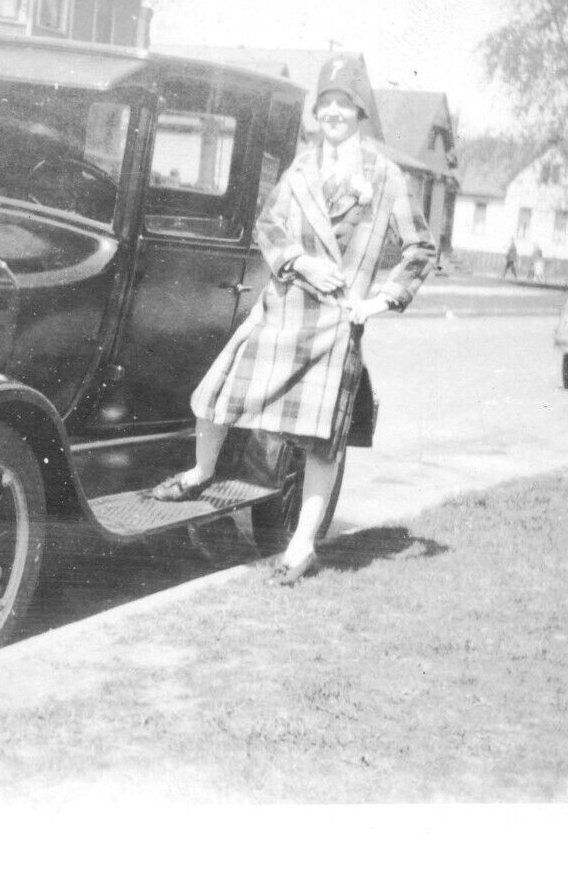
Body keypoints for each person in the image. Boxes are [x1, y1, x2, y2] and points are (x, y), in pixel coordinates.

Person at [150, 54, 436, 586]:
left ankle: (301, 546)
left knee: (321, 443)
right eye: (326, 103)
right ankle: (202, 472)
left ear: (360, 112)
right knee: (216, 395)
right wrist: (300, 262)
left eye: (344, 103)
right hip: (281, 310)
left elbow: (421, 248)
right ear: (316, 112)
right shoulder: (302, 168)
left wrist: (376, 302)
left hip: (334, 328)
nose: (334, 113)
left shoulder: (385, 177)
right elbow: (269, 224)